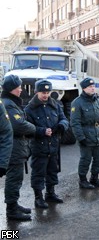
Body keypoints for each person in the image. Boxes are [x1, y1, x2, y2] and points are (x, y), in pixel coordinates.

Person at [24, 80, 69, 208]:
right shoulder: (29, 109)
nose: (45, 95)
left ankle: (51, 193)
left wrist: (61, 126)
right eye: (43, 92)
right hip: (39, 146)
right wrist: (41, 131)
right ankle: (38, 197)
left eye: (48, 92)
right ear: (36, 92)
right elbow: (27, 128)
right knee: (38, 172)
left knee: (52, 171)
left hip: (53, 145)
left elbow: (64, 119)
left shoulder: (55, 105)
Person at [1, 74, 36, 221]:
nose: (20, 90)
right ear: (10, 89)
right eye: (18, 88)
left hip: (17, 147)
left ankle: (14, 204)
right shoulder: (8, 104)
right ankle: (11, 210)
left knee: (17, 178)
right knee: (14, 178)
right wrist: (34, 128)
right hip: (13, 148)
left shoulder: (11, 102)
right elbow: (18, 125)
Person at [71, 77, 99, 189]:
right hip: (86, 135)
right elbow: (75, 122)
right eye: (90, 87)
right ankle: (83, 180)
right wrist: (80, 137)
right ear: (84, 89)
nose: (93, 88)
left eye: (93, 86)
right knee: (86, 159)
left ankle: (94, 178)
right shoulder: (77, 103)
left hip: (97, 134)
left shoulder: (96, 100)